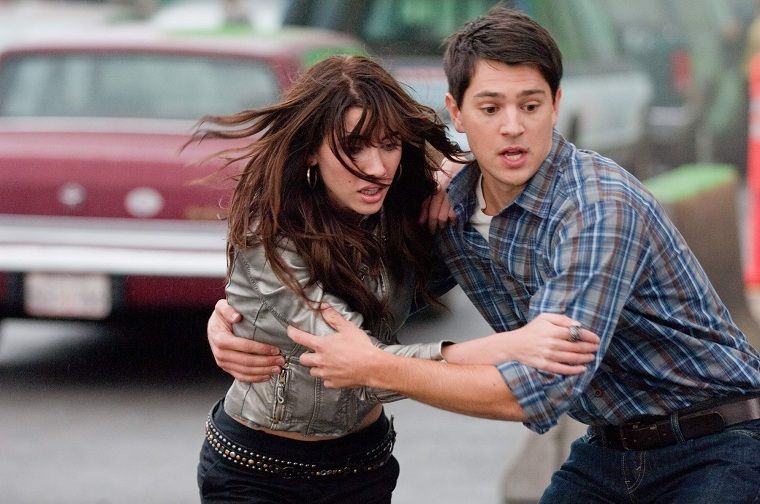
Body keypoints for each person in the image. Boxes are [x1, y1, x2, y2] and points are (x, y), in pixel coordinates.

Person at [208, 7, 760, 503]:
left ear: (556, 105)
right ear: (457, 111)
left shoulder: (597, 208)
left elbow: (538, 390)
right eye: (490, 107)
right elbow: (354, 300)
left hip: (719, 441)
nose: (512, 126)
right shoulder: (450, 208)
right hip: (611, 448)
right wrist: (240, 321)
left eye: (530, 105)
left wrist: (376, 366)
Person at [194, 54, 600, 504]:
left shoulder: (404, 213)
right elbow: (362, 367)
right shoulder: (269, 238)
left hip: (364, 465)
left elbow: (510, 160)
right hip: (258, 471)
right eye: (354, 147)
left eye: (389, 144)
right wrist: (514, 345)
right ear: (311, 150)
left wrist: (460, 177)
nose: (377, 167)